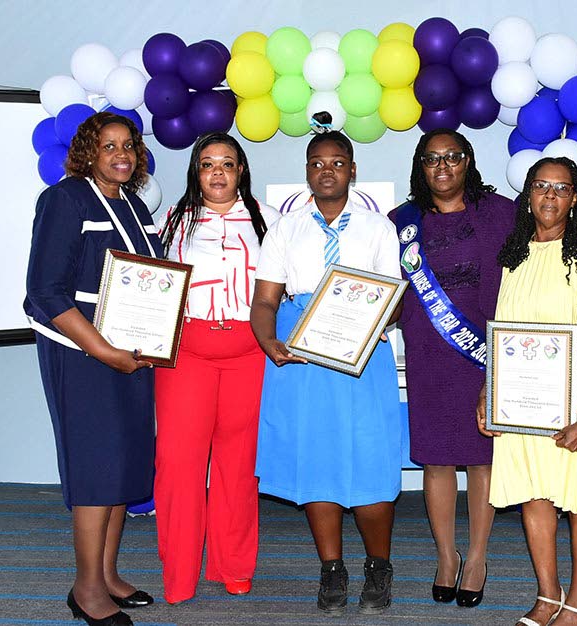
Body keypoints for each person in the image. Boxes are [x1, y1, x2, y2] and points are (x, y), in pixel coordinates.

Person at [251, 128, 402, 616]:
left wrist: (368, 315)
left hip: (362, 352)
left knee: (370, 459)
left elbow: (395, 301)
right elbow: (265, 300)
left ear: (353, 170)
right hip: (301, 352)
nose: (327, 171)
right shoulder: (285, 229)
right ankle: (331, 568)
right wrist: (268, 340)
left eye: (337, 162)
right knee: (316, 459)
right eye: (317, 163)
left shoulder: (378, 228)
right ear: (307, 171)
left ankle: (379, 566)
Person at [25, 112, 159, 626]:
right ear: (88, 152)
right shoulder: (65, 199)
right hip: (81, 354)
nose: (121, 154)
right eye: (108, 146)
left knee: (122, 462)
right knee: (95, 466)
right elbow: (45, 292)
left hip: (131, 353)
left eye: (128, 146)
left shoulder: (134, 205)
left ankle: (106, 573)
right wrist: (103, 351)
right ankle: (85, 589)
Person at [478, 157, 577, 626]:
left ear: (575, 199)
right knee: (533, 494)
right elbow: (503, 332)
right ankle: (547, 595)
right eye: (541, 186)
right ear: (528, 196)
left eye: (561, 188)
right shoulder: (514, 255)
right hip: (523, 402)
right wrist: (488, 393)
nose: (550, 196)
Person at [389, 128, 513, 607]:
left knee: (483, 457)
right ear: (420, 166)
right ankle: (446, 556)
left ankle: (477, 557)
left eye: (453, 157)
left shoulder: (501, 213)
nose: (442, 166)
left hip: (484, 350)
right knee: (436, 459)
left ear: (468, 162)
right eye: (432, 158)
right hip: (428, 353)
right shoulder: (401, 222)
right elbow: (385, 286)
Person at [154, 133, 280, 603]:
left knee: (239, 466)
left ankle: (233, 565)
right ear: (196, 172)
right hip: (187, 354)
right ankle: (179, 574)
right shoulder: (173, 221)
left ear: (241, 170)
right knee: (178, 465)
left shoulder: (269, 220)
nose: (218, 172)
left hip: (249, 354)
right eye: (208, 164)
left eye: (227, 163)